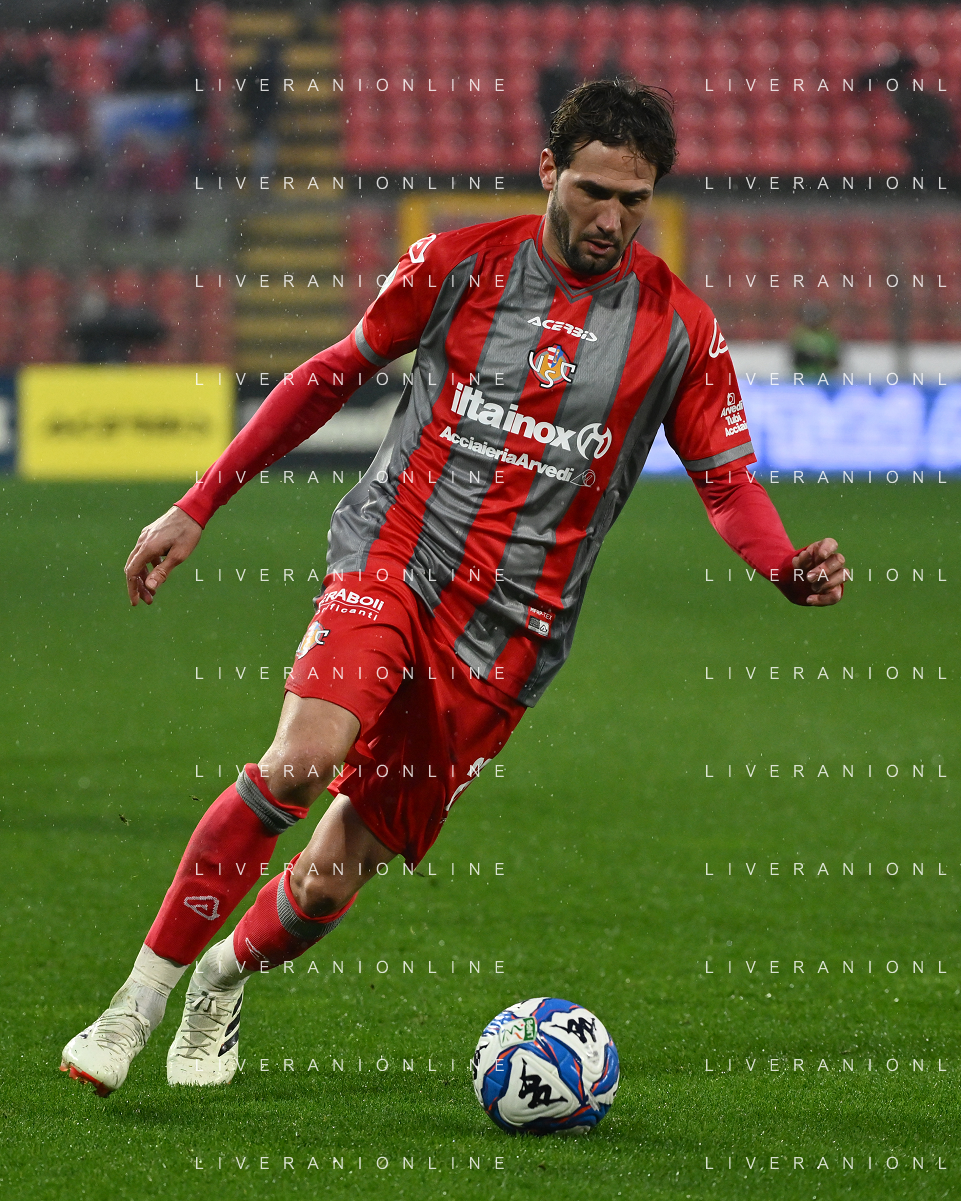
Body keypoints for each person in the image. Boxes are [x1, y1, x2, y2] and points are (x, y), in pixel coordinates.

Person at [60, 79, 846, 1097]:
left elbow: (728, 483)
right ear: (548, 171)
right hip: (397, 556)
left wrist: (779, 564)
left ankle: (223, 975)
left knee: (331, 875)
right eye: (593, 190)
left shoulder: (678, 329)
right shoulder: (458, 264)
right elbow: (332, 372)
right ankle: (133, 1004)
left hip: (511, 632)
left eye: (633, 200)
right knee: (300, 761)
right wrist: (198, 504)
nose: (611, 218)